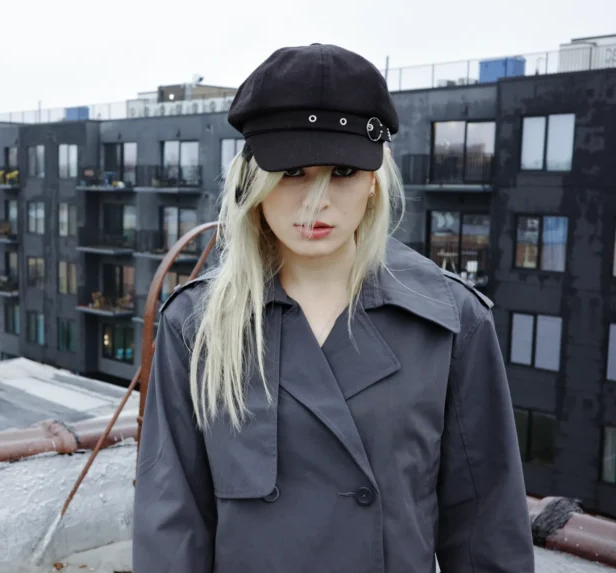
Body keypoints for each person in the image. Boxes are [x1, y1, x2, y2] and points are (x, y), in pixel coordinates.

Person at [132, 43, 534, 573]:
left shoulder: (451, 320)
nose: (316, 202)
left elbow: (486, 526)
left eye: (342, 172)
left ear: (372, 182)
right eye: (292, 172)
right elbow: (171, 520)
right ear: (255, 181)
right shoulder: (197, 325)